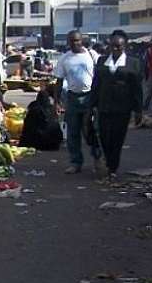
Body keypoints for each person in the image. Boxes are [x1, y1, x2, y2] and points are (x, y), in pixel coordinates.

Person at [90, 30, 143, 179]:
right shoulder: (102, 61)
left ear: (124, 46)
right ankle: (108, 160)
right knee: (105, 138)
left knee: (117, 139)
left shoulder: (133, 63)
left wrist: (138, 110)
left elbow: (137, 89)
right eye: (112, 46)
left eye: (118, 46)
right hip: (104, 106)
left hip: (122, 109)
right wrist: (91, 106)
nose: (115, 49)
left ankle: (112, 167)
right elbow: (96, 85)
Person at [54, 30, 101, 174]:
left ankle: (97, 159)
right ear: (68, 42)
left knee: (91, 131)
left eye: (77, 41)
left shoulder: (92, 56)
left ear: (82, 41)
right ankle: (75, 162)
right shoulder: (64, 59)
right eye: (71, 41)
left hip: (89, 97)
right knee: (73, 132)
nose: (75, 44)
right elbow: (59, 81)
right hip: (73, 98)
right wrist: (57, 101)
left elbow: (99, 77)